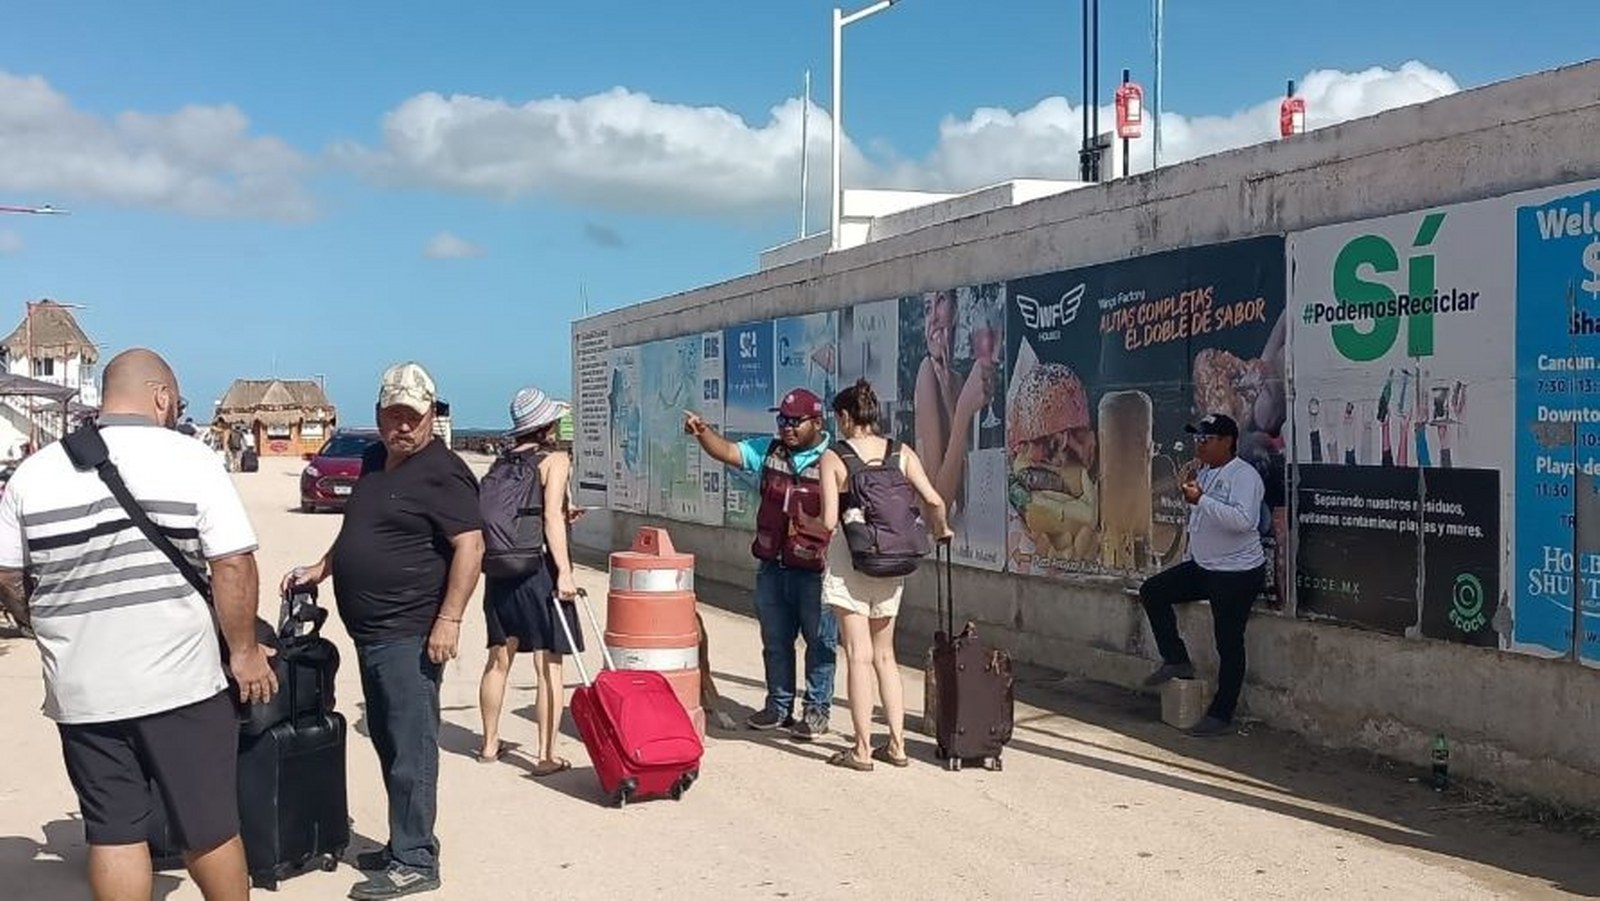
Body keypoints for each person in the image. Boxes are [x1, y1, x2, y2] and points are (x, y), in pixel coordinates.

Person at [0, 348, 276, 901]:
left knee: (114, 832)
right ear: (162, 396)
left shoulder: (34, 472)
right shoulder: (190, 459)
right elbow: (233, 564)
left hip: (82, 690)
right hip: (180, 683)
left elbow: (8, 576)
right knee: (209, 826)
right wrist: (244, 651)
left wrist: (50, 629)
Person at [282, 361, 484, 900]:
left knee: (412, 748)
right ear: (377, 415)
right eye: (393, 416)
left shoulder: (443, 471)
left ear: (431, 417)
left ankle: (416, 860)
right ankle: (403, 844)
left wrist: (450, 620)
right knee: (392, 745)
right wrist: (323, 567)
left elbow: (471, 546)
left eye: (413, 417)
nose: (402, 427)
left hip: (412, 633)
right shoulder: (373, 461)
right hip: (370, 633)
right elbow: (358, 529)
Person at [684, 388, 838, 741]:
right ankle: (778, 706)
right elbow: (727, 451)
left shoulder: (834, 460)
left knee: (821, 642)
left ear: (817, 421)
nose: (786, 427)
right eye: (782, 420)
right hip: (773, 565)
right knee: (775, 640)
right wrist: (702, 432)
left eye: (795, 422)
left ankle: (816, 710)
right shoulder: (768, 451)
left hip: (818, 570)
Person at [818, 379, 952, 771]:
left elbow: (828, 521)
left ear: (845, 417)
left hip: (853, 561)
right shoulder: (901, 452)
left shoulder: (834, 457)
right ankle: (896, 745)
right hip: (894, 562)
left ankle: (861, 750)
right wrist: (941, 529)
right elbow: (934, 500)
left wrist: (807, 519)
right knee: (885, 656)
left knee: (858, 657)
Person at [1137, 413, 1267, 737]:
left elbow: (1244, 522)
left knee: (1228, 641)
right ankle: (1176, 658)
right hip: (1206, 567)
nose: (1200, 445)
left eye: (1207, 439)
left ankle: (1221, 714)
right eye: (1197, 439)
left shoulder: (1244, 476)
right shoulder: (1205, 473)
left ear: (1227, 441)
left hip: (1237, 572)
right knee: (1153, 591)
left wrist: (1202, 500)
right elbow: (1200, 522)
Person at [476, 386, 584, 776]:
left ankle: (489, 744)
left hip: (501, 570)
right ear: (548, 425)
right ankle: (546, 755)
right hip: (539, 570)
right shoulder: (555, 459)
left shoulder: (500, 464)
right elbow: (551, 518)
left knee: (498, 660)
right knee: (549, 664)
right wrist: (566, 572)